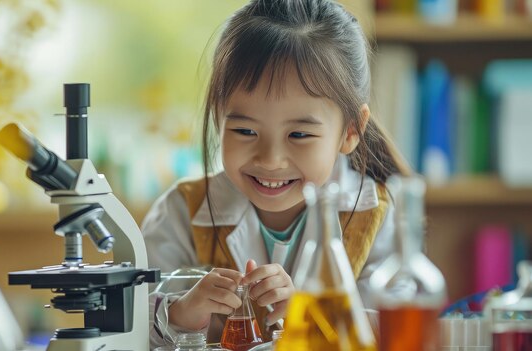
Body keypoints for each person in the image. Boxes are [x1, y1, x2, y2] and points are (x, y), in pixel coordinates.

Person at [141, 0, 411, 347]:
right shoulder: (181, 212)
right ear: (219, 118)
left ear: (350, 131)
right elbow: (126, 324)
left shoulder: (378, 216)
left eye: (299, 134)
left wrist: (310, 314)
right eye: (245, 131)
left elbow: (397, 331)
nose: (270, 159)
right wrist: (177, 314)